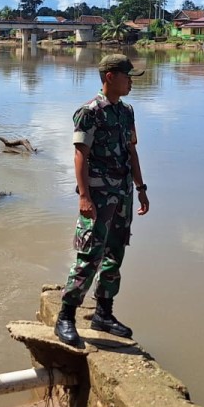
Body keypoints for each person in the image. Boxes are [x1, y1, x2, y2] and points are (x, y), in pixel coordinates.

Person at [55, 54, 150, 348]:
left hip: (122, 192)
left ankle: (103, 313)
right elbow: (80, 154)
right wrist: (84, 196)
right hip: (97, 194)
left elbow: (131, 151)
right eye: (127, 76)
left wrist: (141, 187)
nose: (131, 82)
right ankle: (66, 317)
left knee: (115, 253)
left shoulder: (126, 112)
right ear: (110, 76)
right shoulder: (89, 112)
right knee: (90, 254)